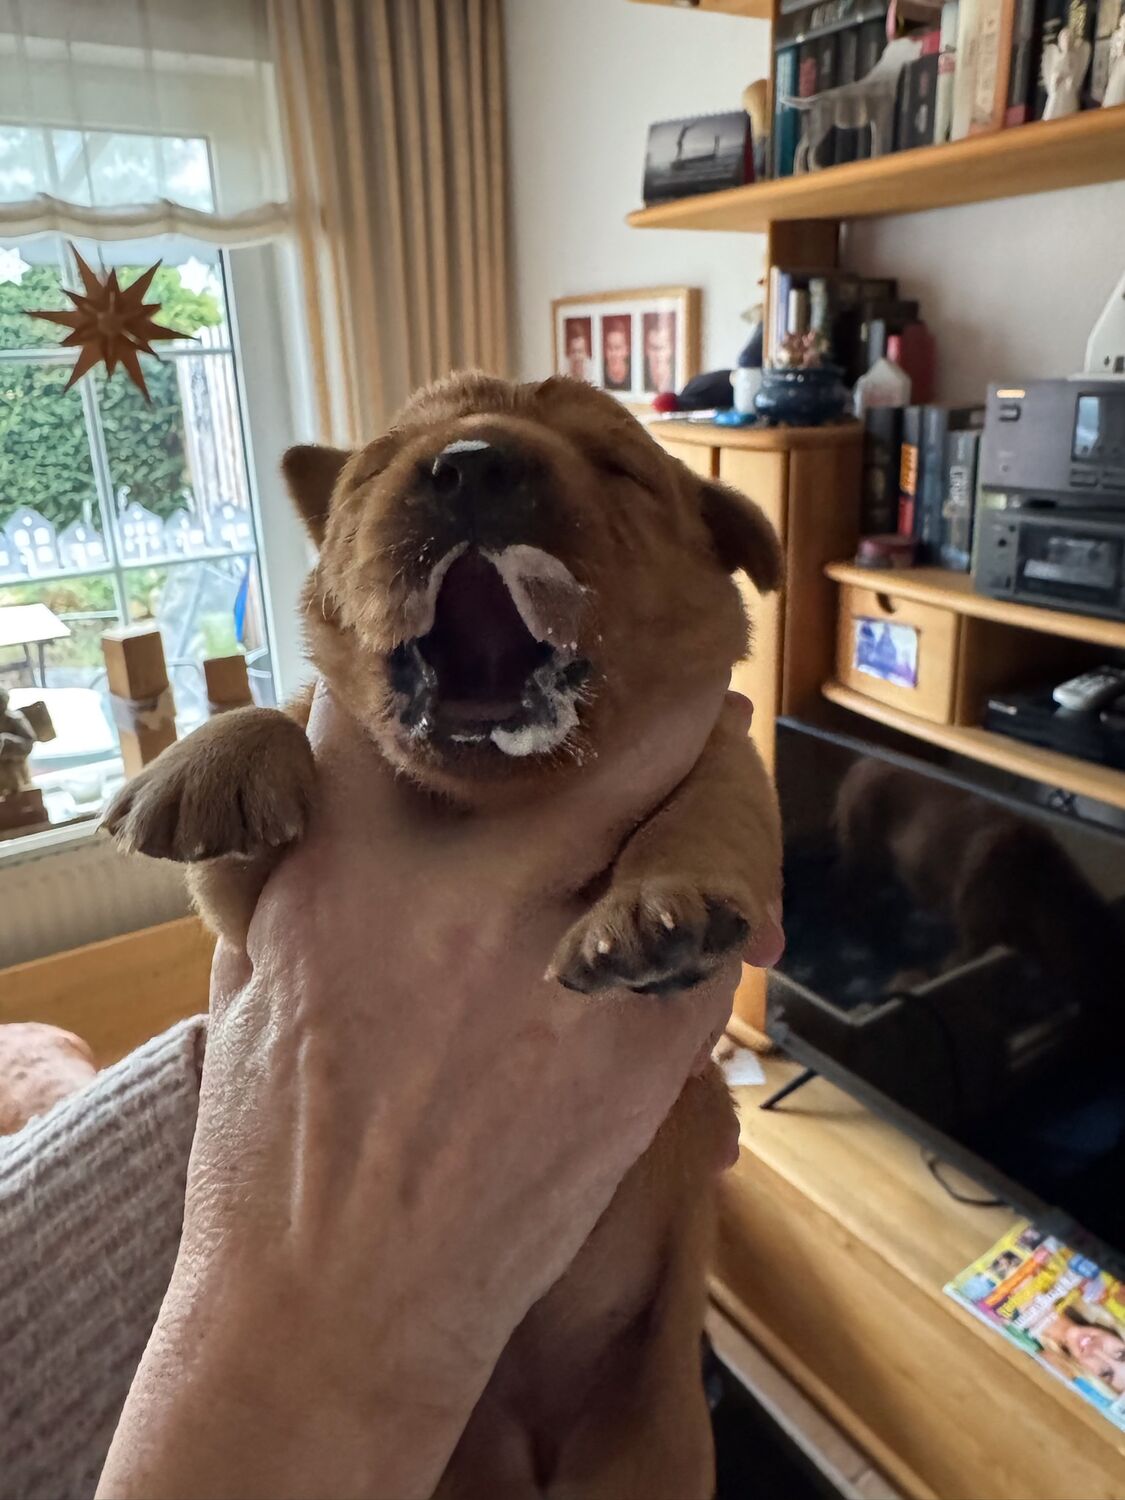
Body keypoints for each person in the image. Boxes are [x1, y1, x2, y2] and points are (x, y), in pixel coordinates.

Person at [1, 675, 781, 1499]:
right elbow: (268, 927)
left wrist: (701, 857)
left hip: (621, 1380)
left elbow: (726, 850)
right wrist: (252, 747)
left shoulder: (662, 731)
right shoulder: (340, 736)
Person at [1039, 1300, 1125, 1395]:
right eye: (1122, 1354)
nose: (1096, 1350)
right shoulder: (1087, 1295)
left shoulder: (1030, 1355)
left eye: (1104, 1373)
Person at [643, 312, 676, 395]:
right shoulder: (642, 376)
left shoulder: (677, 377)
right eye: (653, 348)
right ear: (647, 349)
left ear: (670, 349)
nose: (658, 355)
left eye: (662, 348)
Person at [602, 314, 632, 392]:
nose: (613, 354)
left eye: (618, 348)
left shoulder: (635, 373)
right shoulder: (599, 372)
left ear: (626, 350)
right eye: (610, 347)